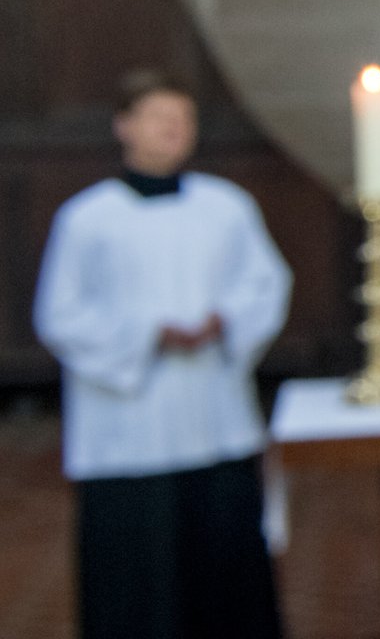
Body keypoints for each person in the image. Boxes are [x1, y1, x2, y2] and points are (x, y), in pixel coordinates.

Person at [34, 70, 292, 639]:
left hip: (213, 415)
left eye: (184, 118)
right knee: (138, 580)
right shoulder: (87, 218)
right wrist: (149, 334)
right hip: (130, 425)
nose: (174, 129)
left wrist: (223, 320)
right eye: (158, 117)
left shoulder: (227, 207)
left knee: (226, 570)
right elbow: (60, 314)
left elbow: (265, 283)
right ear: (124, 126)